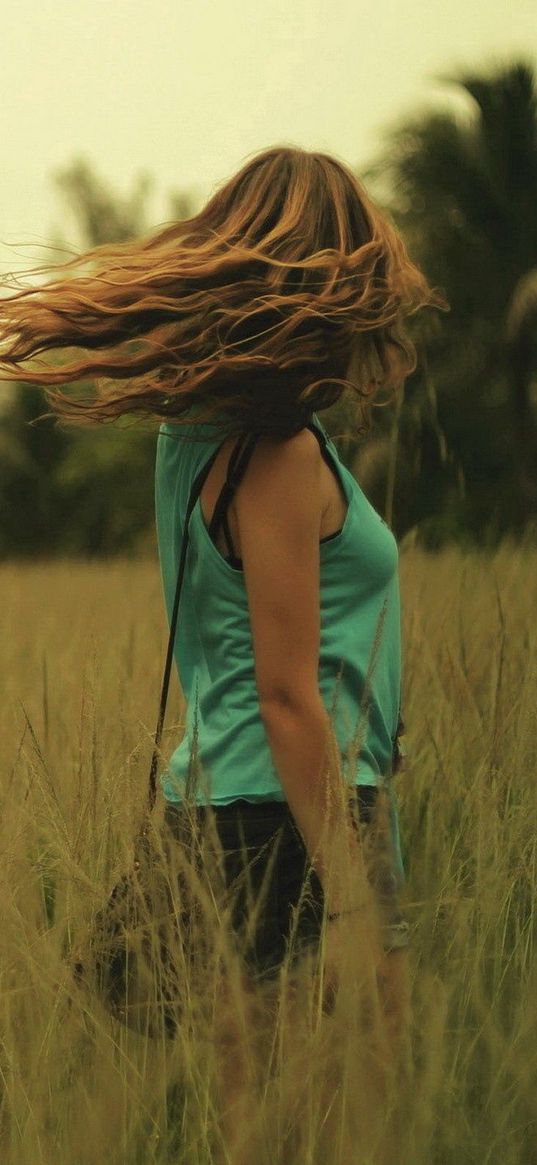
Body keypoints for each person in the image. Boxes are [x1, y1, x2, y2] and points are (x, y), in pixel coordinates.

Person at [0, 144, 446, 1158]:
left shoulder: (195, 427)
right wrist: (357, 892)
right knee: (350, 1114)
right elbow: (288, 698)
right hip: (298, 812)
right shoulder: (280, 456)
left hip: (221, 802)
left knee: (263, 1126)